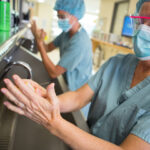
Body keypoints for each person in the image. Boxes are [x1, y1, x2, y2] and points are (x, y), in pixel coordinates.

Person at [1, 0, 150, 149]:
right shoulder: (117, 63)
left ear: (74, 16)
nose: (143, 29)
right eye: (140, 21)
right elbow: (78, 97)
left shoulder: (80, 41)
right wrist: (46, 98)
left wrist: (53, 121)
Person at [31, 0, 92, 91]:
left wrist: (39, 43)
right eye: (58, 16)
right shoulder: (66, 33)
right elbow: (47, 48)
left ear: (75, 16)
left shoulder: (80, 42)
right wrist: (39, 37)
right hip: (66, 82)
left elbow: (54, 72)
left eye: (63, 17)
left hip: (77, 91)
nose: (60, 20)